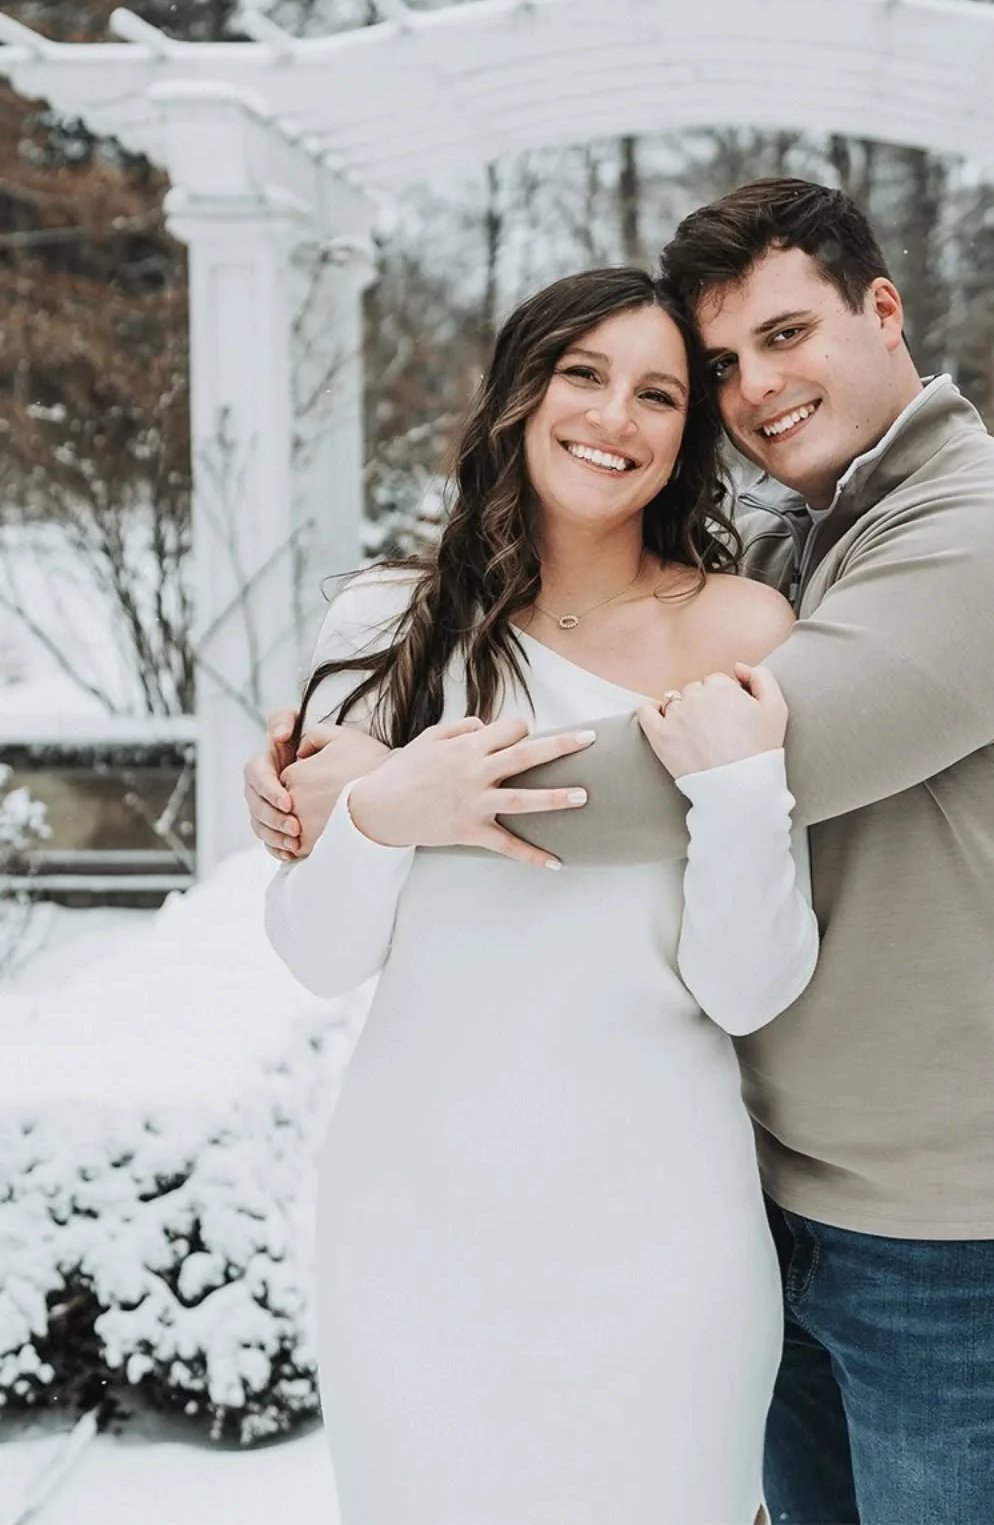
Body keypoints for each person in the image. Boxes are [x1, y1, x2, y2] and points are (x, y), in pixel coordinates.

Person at [249, 180, 994, 1525]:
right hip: (592, 1203)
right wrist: (356, 812)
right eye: (723, 363)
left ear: (883, 309)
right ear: (518, 391)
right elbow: (320, 941)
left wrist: (396, 788)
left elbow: (727, 819)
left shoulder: (968, 539)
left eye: (775, 340)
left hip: (957, 1225)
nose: (753, 387)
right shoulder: (788, 549)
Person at [262, 265, 820, 1525]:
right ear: (522, 391)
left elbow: (750, 989)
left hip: (663, 1230)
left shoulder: (744, 627)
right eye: (584, 374)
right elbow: (315, 951)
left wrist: (740, 797)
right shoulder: (386, 624)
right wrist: (384, 810)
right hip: (415, 1227)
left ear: (688, 434)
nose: (615, 417)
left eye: (658, 394)